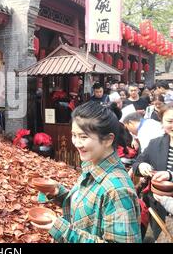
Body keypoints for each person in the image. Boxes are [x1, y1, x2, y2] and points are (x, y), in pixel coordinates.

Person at [35, 102, 142, 243]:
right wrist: (58, 192)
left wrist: (63, 230)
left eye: (84, 137)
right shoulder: (92, 166)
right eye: (74, 135)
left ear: (108, 139)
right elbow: (91, 209)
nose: (77, 143)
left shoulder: (117, 190)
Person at [131, 104, 173, 239]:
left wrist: (170, 175)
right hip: (157, 204)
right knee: (160, 236)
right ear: (162, 122)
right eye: (170, 121)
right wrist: (142, 166)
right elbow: (137, 164)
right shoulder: (155, 143)